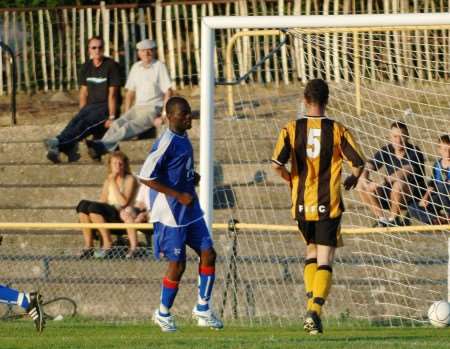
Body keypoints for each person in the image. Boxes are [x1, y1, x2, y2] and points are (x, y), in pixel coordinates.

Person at [271, 79, 365, 335]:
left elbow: (277, 164)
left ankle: (311, 310)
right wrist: (353, 178)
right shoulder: (337, 130)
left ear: (304, 99)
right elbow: (358, 162)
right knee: (326, 258)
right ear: (327, 100)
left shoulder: (290, 129)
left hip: (301, 205)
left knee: (310, 251)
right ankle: (314, 311)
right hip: (328, 204)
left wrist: (291, 179)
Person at [137, 96, 223, 332]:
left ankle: (203, 309)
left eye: (189, 113)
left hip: (189, 207)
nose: (189, 117)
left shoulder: (184, 137)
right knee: (178, 265)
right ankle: (163, 313)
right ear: (171, 116)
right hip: (170, 212)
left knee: (209, 253)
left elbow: (174, 169)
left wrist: (190, 177)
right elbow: (145, 176)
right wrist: (177, 194)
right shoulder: (165, 142)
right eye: (184, 114)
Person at [86, 39, 172, 161]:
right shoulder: (135, 67)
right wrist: (126, 112)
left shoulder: (159, 66)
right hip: (137, 107)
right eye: (143, 51)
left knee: (129, 127)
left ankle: (100, 146)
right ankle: (100, 147)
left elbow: (168, 91)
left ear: (154, 52)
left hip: (152, 108)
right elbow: (130, 93)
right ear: (139, 53)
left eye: (149, 50)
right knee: (117, 123)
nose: (146, 53)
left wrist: (163, 115)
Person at [45, 36, 121, 163]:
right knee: (76, 121)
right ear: (89, 50)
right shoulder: (86, 67)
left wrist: (112, 117)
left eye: (100, 47)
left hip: (105, 107)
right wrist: (81, 112)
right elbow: (83, 93)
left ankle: (58, 143)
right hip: (90, 106)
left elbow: (113, 94)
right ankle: (61, 143)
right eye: (94, 48)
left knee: (84, 125)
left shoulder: (111, 66)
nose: (97, 50)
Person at [357, 122, 426, 227]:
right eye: (395, 136)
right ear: (390, 137)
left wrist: (384, 180)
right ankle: (382, 219)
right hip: (390, 195)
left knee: (399, 184)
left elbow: (405, 170)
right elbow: (370, 164)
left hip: (413, 196)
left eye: (402, 137)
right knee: (361, 185)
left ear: (407, 137)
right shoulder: (387, 150)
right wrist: (364, 176)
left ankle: (393, 220)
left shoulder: (415, 151)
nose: (398, 140)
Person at [76, 151, 137, 258]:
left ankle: (108, 243)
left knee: (93, 208)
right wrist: (89, 211)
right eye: (115, 163)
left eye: (120, 163)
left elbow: (123, 202)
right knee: (83, 205)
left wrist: (113, 181)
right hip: (109, 212)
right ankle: (88, 246)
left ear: (125, 165)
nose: (118, 166)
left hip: (121, 213)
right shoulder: (107, 181)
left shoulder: (129, 179)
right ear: (110, 165)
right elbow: (103, 200)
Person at [408, 134, 449, 224]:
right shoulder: (437, 164)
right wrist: (425, 197)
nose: (448, 152)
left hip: (447, 196)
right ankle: (437, 219)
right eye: (445, 150)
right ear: (439, 150)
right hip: (438, 197)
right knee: (412, 207)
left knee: (442, 186)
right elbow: (432, 182)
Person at [119, 183, 151, 258]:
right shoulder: (146, 185)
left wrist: (145, 214)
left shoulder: (163, 184)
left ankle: (133, 245)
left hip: (157, 215)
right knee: (127, 211)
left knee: (135, 216)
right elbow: (139, 204)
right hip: (145, 213)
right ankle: (134, 247)